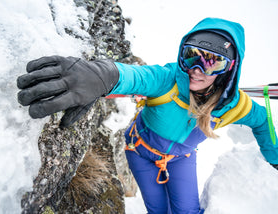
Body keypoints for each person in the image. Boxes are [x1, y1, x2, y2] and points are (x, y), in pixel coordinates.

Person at [17, 17, 278, 214]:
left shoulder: (235, 105)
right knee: (158, 211)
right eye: (191, 57)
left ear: (230, 69)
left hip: (180, 160)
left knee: (187, 212)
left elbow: (262, 120)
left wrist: (275, 159)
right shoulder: (167, 80)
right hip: (140, 153)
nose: (197, 70)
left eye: (212, 61)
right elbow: (135, 76)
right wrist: (102, 76)